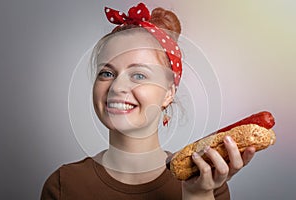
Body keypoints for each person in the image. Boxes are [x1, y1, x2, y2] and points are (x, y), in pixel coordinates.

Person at [41, 3, 256, 200]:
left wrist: (197, 195)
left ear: (168, 93)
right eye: (106, 73)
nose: (116, 87)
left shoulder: (208, 181)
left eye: (139, 75)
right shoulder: (64, 185)